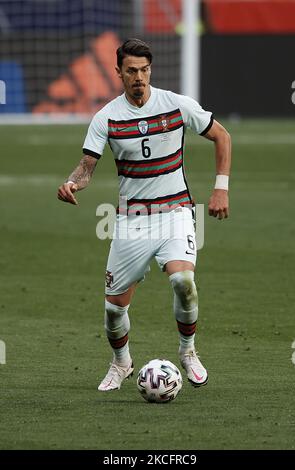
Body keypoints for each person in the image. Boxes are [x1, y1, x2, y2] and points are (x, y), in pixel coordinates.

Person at [57, 38, 231, 392]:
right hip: (131, 221)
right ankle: (121, 363)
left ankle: (188, 352)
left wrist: (220, 188)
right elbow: (87, 167)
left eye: (144, 70)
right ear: (118, 72)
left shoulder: (176, 105)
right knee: (113, 310)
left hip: (177, 212)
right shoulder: (106, 117)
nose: (139, 76)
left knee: (184, 283)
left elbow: (222, 136)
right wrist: (72, 183)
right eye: (132, 70)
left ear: (150, 70)